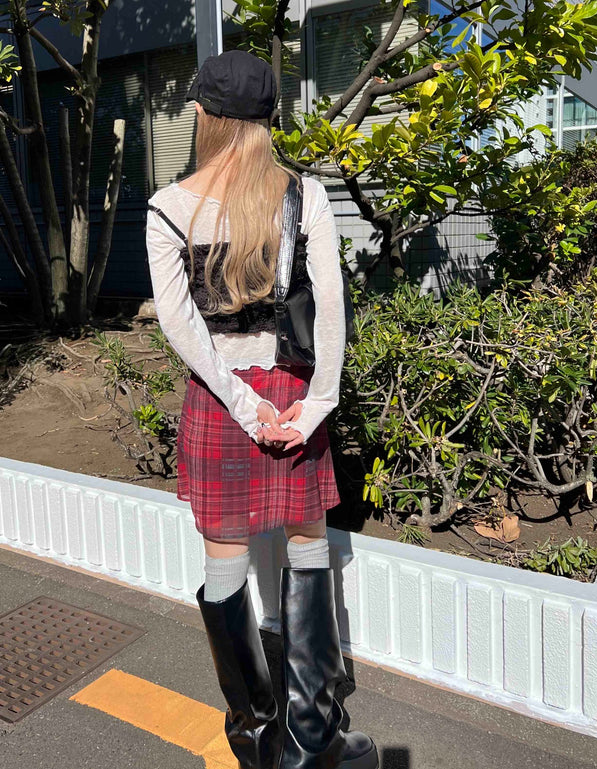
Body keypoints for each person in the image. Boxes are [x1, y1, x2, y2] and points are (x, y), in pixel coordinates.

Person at [145, 49, 378, 769]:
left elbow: (183, 329)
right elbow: (332, 310)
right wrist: (315, 407)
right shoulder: (305, 196)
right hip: (291, 393)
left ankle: (254, 738)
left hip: (221, 402)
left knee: (224, 560)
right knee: (308, 548)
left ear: (204, 114)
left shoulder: (167, 209)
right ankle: (314, 738)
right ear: (269, 116)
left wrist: (245, 408)